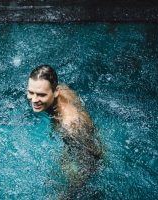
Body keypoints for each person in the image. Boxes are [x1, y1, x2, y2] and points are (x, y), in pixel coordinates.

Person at [27, 64, 103, 196]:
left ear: (56, 92)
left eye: (41, 95)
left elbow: (90, 164)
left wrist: (67, 195)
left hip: (86, 149)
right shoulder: (60, 88)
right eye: (30, 92)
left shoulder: (69, 125)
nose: (34, 99)